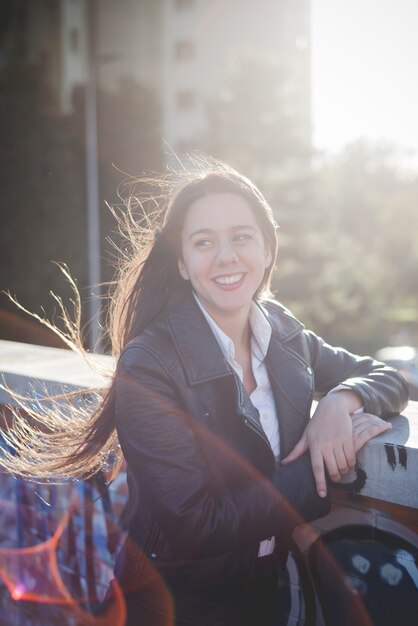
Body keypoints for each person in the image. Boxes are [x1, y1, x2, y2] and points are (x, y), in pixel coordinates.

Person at [1, 160, 409, 626]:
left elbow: (387, 376)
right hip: (172, 602)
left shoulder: (285, 334)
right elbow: (196, 525)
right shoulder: (150, 365)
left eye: (241, 236)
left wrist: (340, 402)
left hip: (262, 594)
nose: (226, 256)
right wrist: (319, 470)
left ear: (268, 248)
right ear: (181, 262)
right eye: (204, 242)